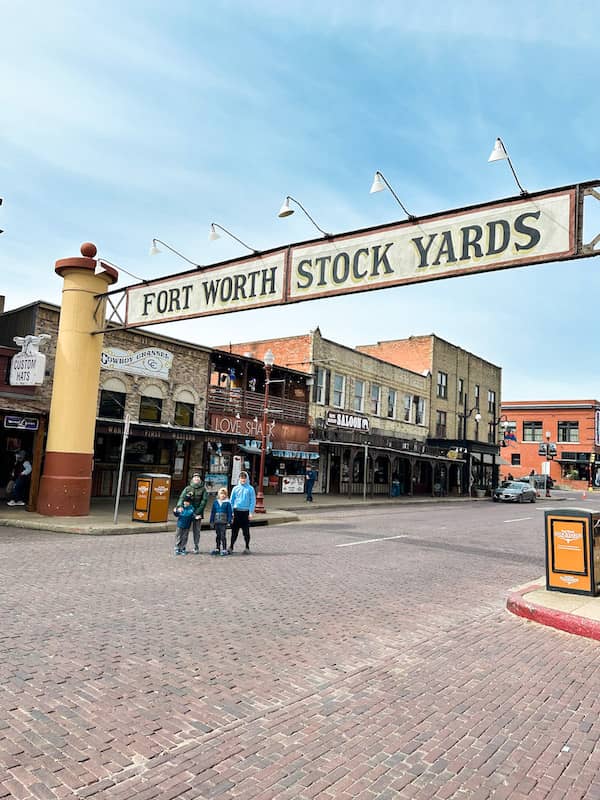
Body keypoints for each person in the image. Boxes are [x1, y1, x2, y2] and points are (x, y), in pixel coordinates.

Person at [176, 472, 208, 554]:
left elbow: (204, 501)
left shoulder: (203, 489)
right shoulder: (187, 488)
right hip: (187, 513)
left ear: (200, 480)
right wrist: (179, 506)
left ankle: (196, 546)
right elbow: (181, 498)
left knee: (197, 531)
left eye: (198, 477)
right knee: (184, 531)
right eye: (195, 477)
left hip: (197, 513)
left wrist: (197, 511)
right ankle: (181, 547)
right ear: (192, 479)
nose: (196, 479)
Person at [230, 471, 256, 554]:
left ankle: (247, 547)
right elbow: (231, 501)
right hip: (236, 511)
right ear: (239, 479)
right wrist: (231, 512)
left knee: (246, 532)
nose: (243, 480)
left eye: (244, 478)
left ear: (247, 479)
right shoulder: (235, 488)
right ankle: (231, 546)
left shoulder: (250, 489)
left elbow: (253, 501)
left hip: (245, 512)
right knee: (234, 531)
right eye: (241, 478)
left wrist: (251, 512)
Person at [209, 487, 233, 556]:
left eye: (224, 494)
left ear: (226, 495)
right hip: (217, 521)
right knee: (218, 536)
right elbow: (213, 512)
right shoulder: (215, 502)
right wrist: (211, 521)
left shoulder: (227, 503)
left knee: (223, 536)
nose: (223, 495)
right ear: (219, 495)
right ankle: (217, 548)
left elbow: (229, 513)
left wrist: (229, 521)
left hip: (223, 522)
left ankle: (224, 548)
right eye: (221, 494)